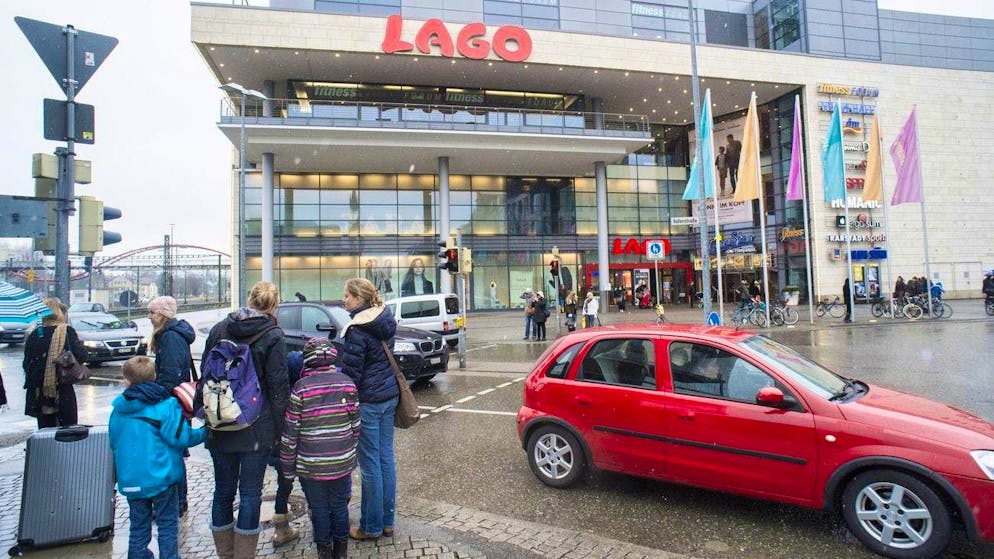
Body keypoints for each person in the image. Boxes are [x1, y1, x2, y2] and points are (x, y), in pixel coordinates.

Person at [198, 281, 289, 559]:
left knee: (223, 491)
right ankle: (244, 555)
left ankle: (225, 553)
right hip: (256, 426)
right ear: (275, 305)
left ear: (249, 300)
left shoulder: (220, 329)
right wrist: (280, 430)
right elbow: (278, 387)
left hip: (220, 421)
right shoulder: (273, 335)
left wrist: (205, 413)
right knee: (250, 494)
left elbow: (204, 373)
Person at [109, 356, 205, 559]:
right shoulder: (166, 405)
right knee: (167, 526)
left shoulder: (118, 411)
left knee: (138, 529)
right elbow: (183, 438)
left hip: (132, 480)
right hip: (162, 477)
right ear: (154, 376)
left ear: (126, 381)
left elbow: (115, 443)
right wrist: (207, 431)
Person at [280, 338, 359, 559]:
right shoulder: (347, 383)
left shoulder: (301, 388)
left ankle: (324, 551)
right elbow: (356, 425)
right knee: (339, 506)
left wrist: (288, 468)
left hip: (311, 464)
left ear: (307, 361)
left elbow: (290, 432)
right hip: (341, 461)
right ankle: (341, 552)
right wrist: (348, 449)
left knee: (319, 507)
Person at [339, 278, 399, 541]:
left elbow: (352, 375)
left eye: (347, 296)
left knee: (370, 463)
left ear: (359, 299)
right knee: (386, 458)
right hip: (389, 396)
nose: (344, 300)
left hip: (369, 402)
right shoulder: (385, 320)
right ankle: (387, 522)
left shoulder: (357, 329)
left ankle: (371, 526)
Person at [148, 295, 197, 516]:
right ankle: (177, 502)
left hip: (172, 405)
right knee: (174, 453)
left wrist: (158, 396)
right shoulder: (173, 334)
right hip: (176, 404)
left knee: (173, 454)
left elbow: (171, 375)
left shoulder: (170, 337)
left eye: (152, 312)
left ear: (162, 314)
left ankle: (177, 503)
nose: (149, 317)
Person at [22, 297, 84, 428]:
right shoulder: (66, 331)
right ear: (58, 312)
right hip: (62, 389)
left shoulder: (34, 334)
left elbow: (27, 364)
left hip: (40, 392)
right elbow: (81, 356)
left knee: (45, 432)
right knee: (67, 430)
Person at [270, 350, 304, 548]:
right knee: (310, 487)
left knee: (283, 487)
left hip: (281, 452)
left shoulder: (279, 396)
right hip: (303, 452)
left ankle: (281, 527)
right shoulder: (303, 394)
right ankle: (320, 522)